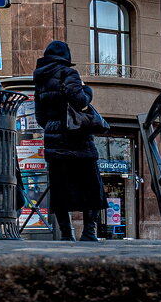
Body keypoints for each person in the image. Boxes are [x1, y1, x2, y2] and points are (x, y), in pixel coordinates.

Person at [33, 40, 107, 241]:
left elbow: (40, 116)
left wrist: (53, 126)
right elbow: (80, 101)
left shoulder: (40, 80)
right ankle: (89, 233)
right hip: (77, 139)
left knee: (60, 188)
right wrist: (87, 91)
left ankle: (67, 234)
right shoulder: (68, 73)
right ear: (66, 57)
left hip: (54, 140)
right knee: (91, 187)